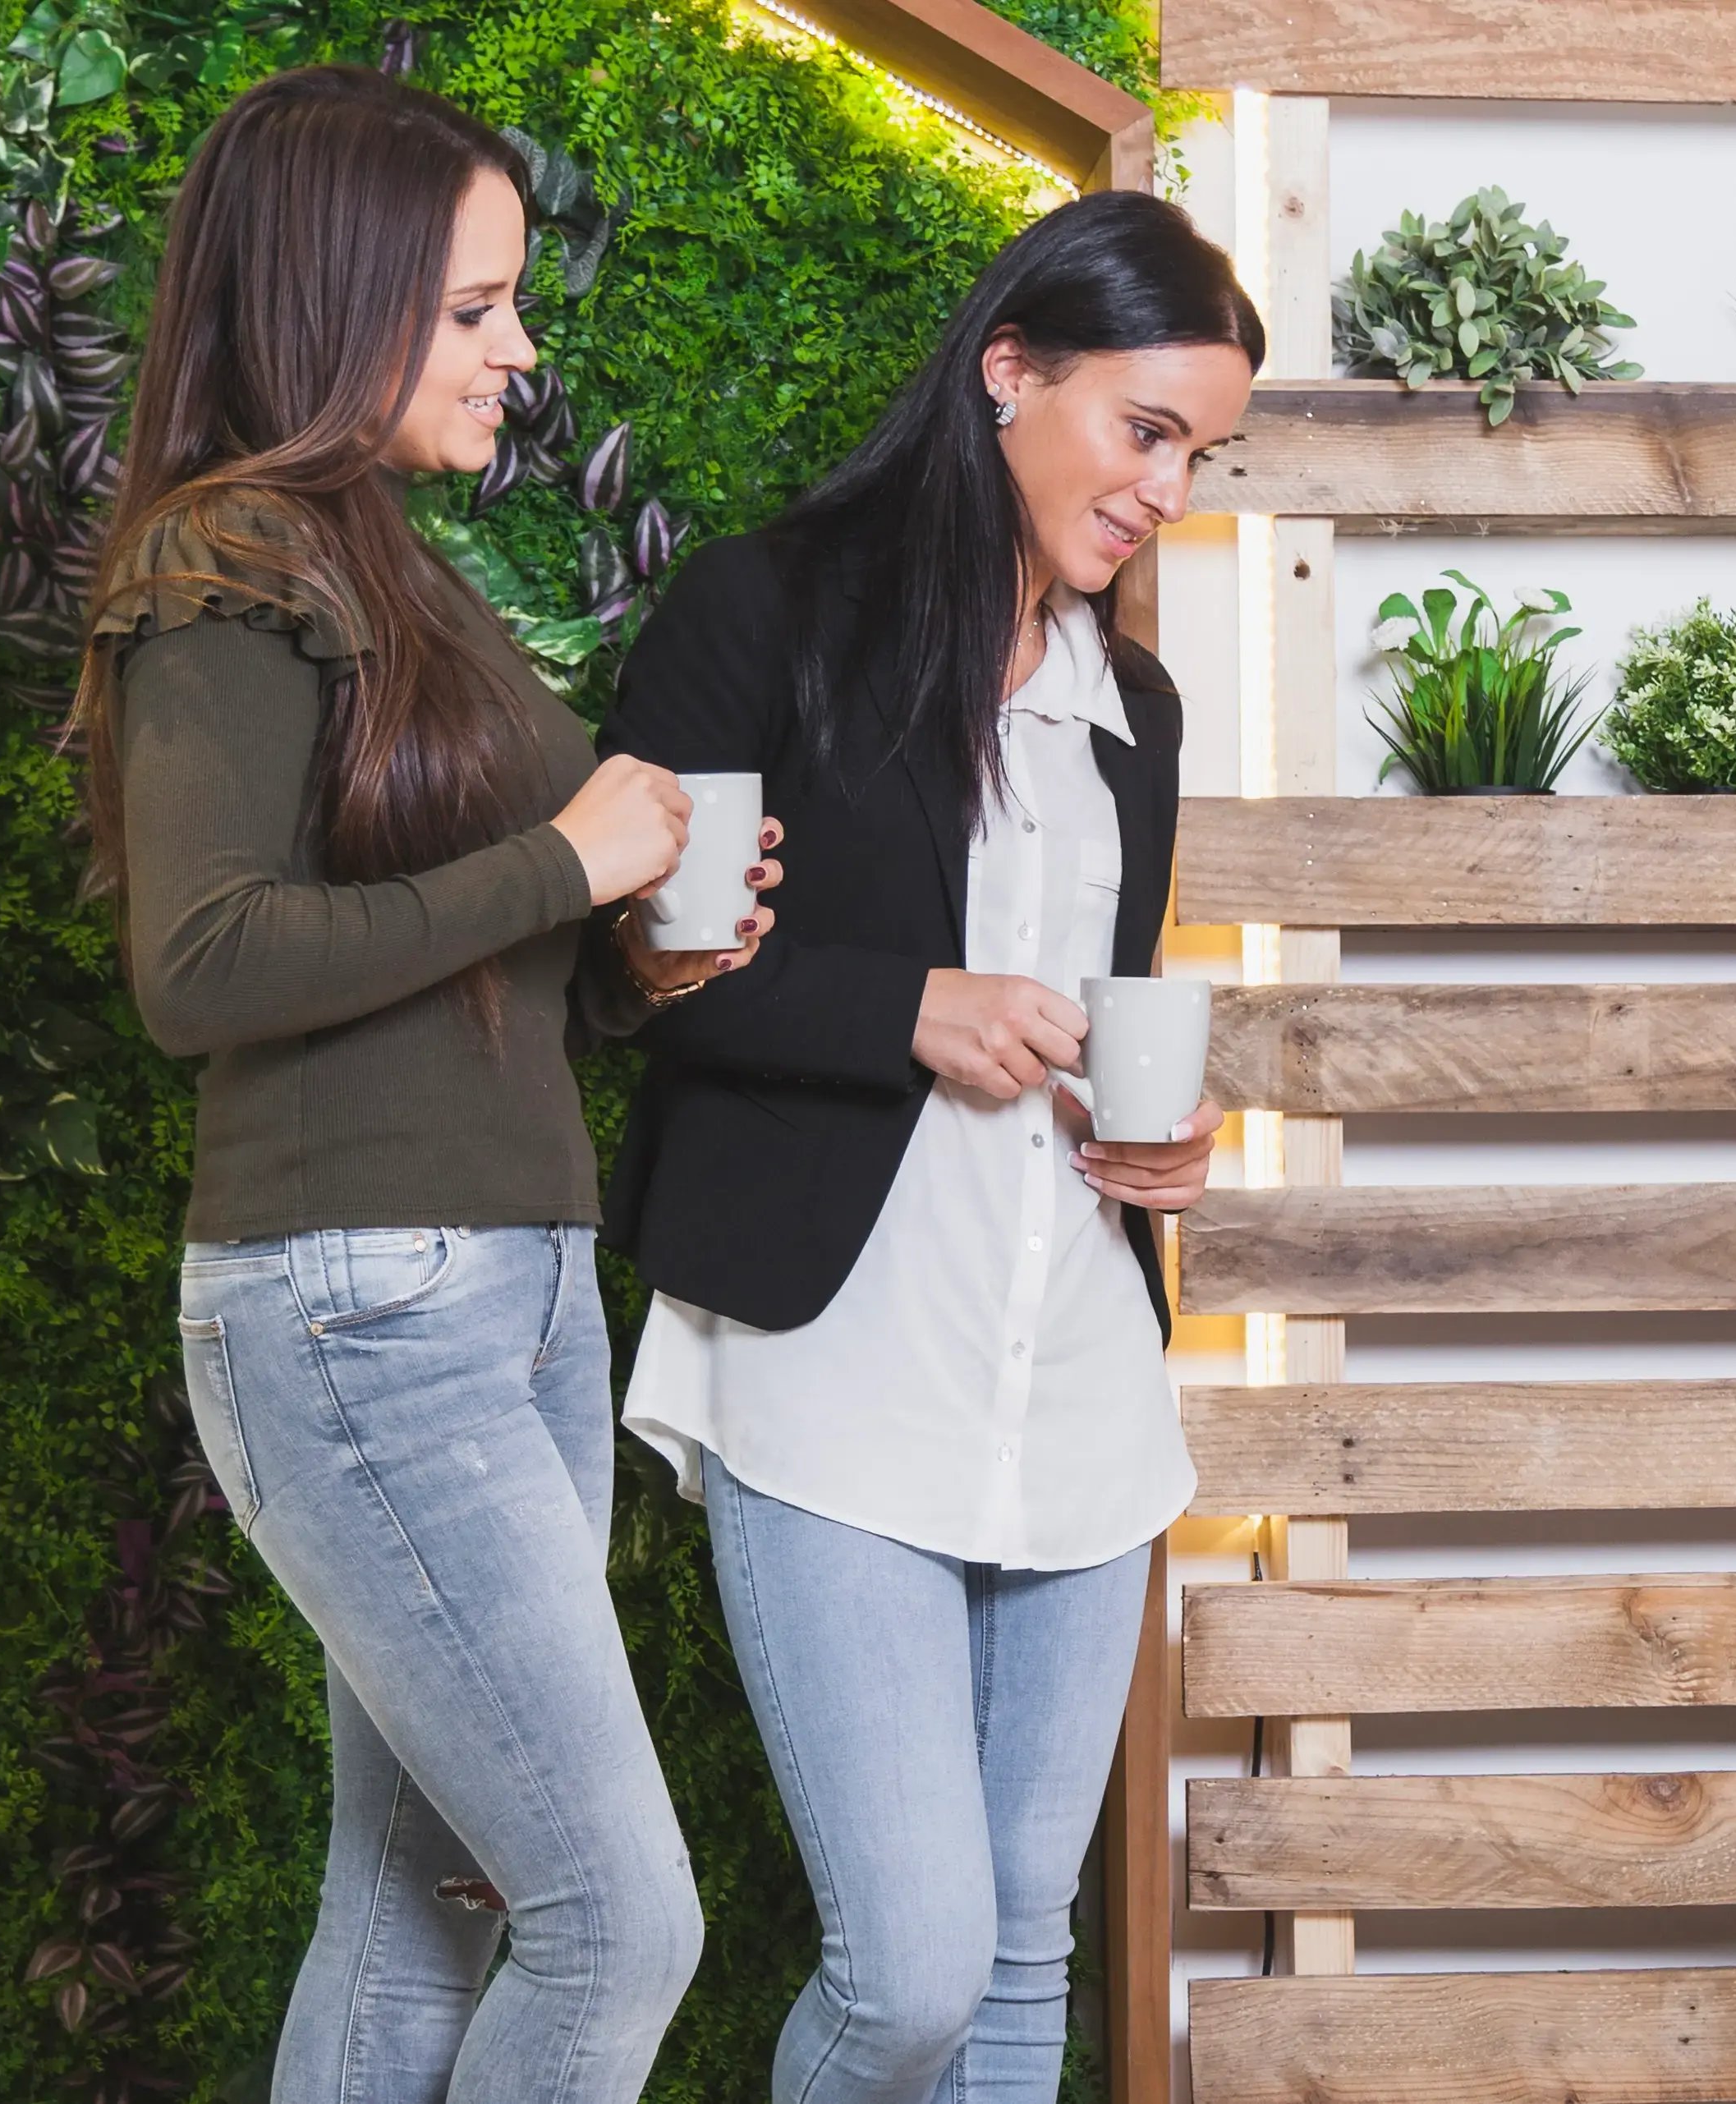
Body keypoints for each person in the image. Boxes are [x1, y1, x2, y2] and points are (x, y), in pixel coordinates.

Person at [76, 66, 778, 2102]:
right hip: (361, 1300)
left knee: (423, 1912)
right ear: (334, 299)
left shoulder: (381, 564)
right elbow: (203, 963)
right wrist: (570, 861)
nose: (521, 351)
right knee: (618, 1922)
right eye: (475, 310)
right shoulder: (227, 557)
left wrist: (642, 956)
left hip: (498, 1289)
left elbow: (445, 954)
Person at [591, 188, 1255, 2104]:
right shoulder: (762, 611)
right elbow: (650, 974)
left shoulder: (1137, 705)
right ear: (1008, 373)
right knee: (912, 1976)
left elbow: (1100, 1015)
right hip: (835, 1369)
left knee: (1028, 1948)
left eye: (1201, 458)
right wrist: (909, 1004)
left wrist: (1160, 1141)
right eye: (1147, 433)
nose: (1169, 496)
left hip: (1077, 1377)